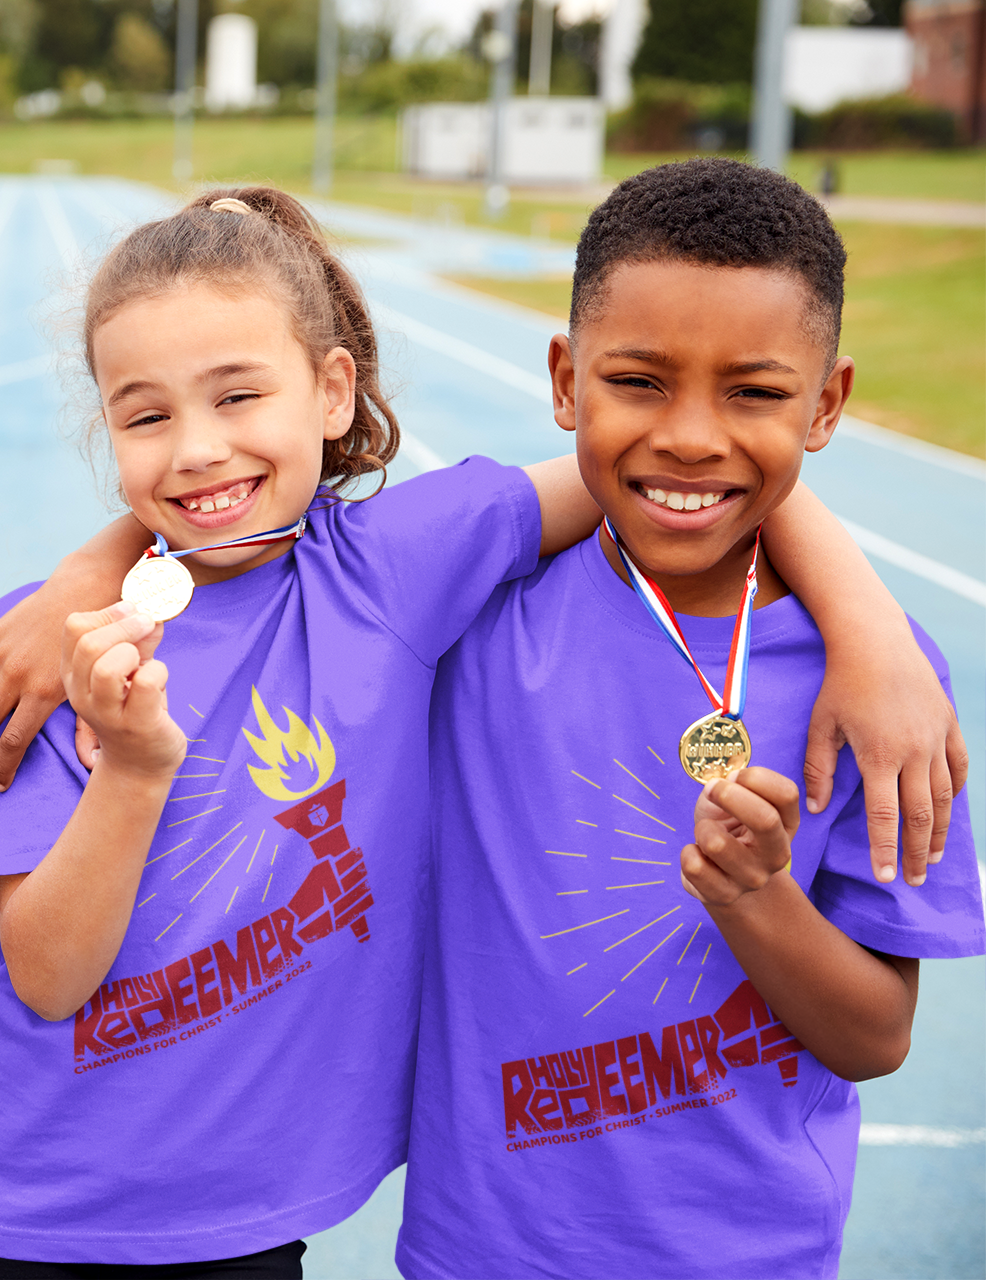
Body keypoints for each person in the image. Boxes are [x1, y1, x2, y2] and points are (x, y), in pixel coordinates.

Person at [0, 186, 967, 1275]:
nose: (196, 449)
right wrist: (85, 596)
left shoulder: (395, 574)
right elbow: (45, 975)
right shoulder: (34, 654)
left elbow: (672, 471)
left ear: (333, 391)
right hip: (33, 1213)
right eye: (146, 416)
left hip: (265, 1224)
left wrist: (869, 622)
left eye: (239, 395)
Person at [398, 158, 984, 1280]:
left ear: (828, 404)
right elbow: (267, 532)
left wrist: (760, 899)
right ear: (567, 381)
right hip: (485, 1251)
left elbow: (875, 1035)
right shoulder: (472, 613)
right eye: (640, 380)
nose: (691, 436)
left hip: (750, 1255)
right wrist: (97, 570)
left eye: (755, 392)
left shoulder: (884, 690)